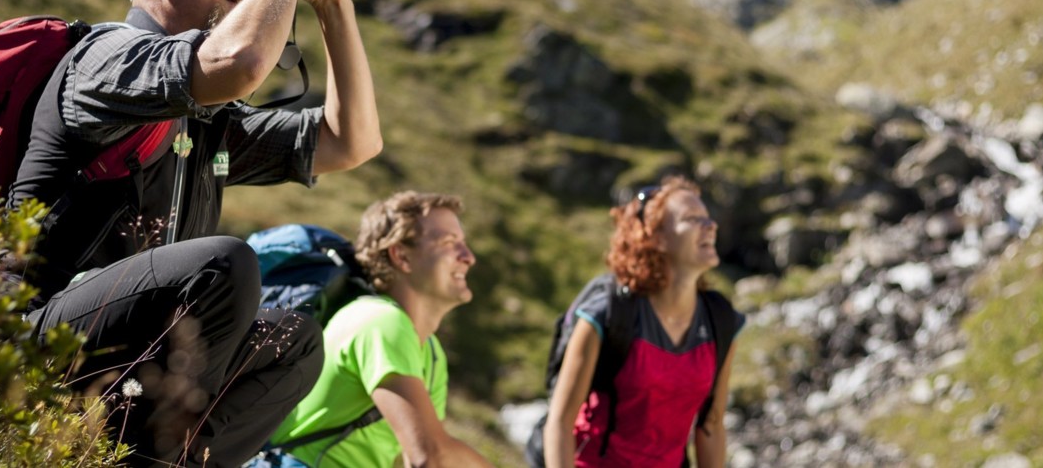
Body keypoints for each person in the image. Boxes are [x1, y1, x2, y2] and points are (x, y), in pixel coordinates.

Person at [9, 0, 381, 465]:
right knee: (223, 264)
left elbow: (352, 141)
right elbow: (239, 65)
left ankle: (167, 459)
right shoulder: (109, 58)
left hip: (129, 357)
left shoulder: (210, 123)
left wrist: (332, 1)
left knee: (295, 339)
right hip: (33, 337)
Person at [256, 192, 493, 468]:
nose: (469, 257)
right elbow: (430, 456)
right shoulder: (380, 322)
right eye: (450, 243)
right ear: (401, 255)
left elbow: (410, 459)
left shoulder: (430, 351)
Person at [542, 176, 745, 468]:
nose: (710, 225)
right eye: (692, 219)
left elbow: (711, 425)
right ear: (657, 237)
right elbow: (560, 424)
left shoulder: (721, 321)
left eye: (708, 218)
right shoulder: (607, 315)